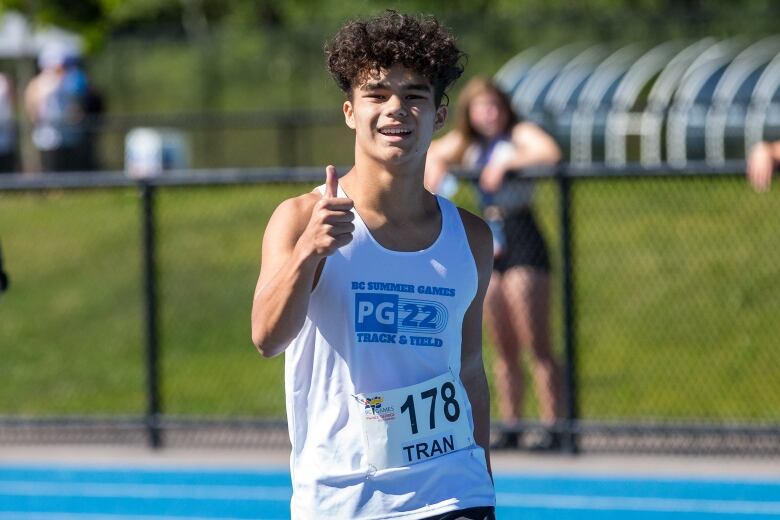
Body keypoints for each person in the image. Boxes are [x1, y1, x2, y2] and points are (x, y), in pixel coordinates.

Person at [251, 11, 496, 520]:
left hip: (454, 493)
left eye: (414, 96)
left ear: (439, 114)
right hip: (343, 499)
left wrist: (484, 481)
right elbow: (267, 339)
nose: (396, 109)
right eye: (377, 94)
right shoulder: (301, 217)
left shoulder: (470, 237)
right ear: (349, 111)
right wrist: (308, 254)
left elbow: (470, 369)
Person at [425, 77, 563, 451]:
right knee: (501, 341)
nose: (489, 114)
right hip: (490, 236)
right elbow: (434, 149)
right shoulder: (470, 143)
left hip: (520, 234)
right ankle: (512, 423)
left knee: (535, 338)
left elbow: (548, 152)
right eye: (481, 107)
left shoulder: (519, 134)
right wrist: (437, 165)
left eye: (495, 106)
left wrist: (509, 163)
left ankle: (555, 425)